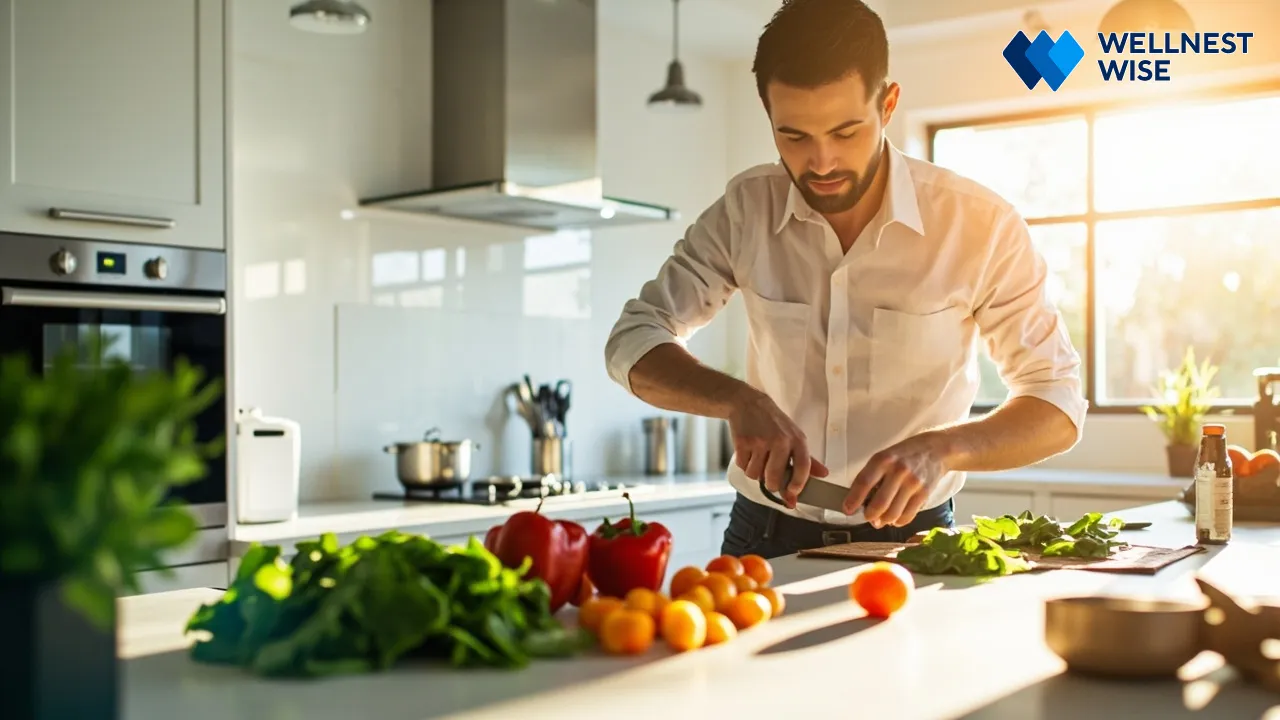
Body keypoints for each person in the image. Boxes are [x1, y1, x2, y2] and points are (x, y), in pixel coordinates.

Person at [603, 0, 1087, 559]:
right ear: (768, 116)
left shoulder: (978, 225)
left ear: (888, 104)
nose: (823, 162)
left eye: (846, 130)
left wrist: (944, 450)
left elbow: (1057, 402)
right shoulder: (746, 210)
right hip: (762, 537)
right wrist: (738, 401)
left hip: (915, 545)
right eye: (794, 136)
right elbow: (632, 340)